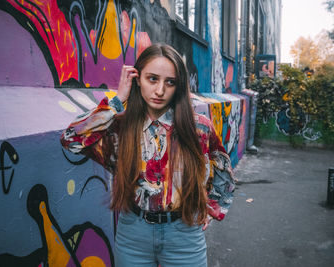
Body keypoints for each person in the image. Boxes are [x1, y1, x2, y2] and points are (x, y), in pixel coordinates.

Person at [61, 43, 235, 267]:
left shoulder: (198, 128)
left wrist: (211, 208)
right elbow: (70, 139)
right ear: (137, 79)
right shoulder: (120, 128)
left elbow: (223, 172)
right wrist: (116, 101)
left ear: (178, 86)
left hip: (183, 234)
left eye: (169, 82)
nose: (160, 90)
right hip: (133, 233)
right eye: (152, 79)